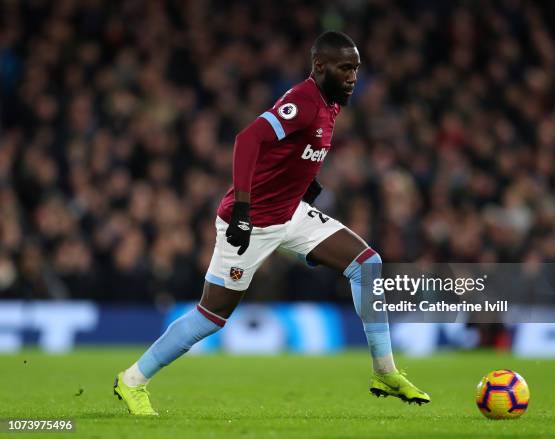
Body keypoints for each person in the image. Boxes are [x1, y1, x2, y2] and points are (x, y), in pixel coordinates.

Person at [113, 31, 430, 416]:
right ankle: (132, 380)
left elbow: (292, 151)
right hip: (252, 221)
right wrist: (244, 211)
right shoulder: (305, 100)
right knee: (211, 316)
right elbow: (248, 140)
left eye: (356, 69)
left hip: (289, 212)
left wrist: (304, 182)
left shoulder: (331, 103)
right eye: (345, 68)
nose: (352, 77)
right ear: (319, 66)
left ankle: (385, 371)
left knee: (367, 264)